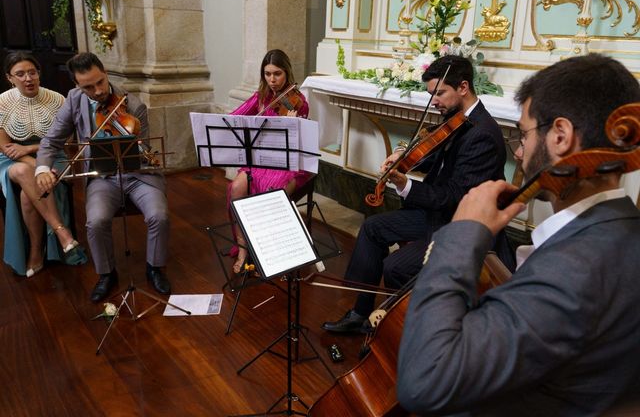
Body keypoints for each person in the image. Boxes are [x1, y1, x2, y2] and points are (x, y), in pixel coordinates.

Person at [397, 54, 640, 416]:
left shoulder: (573, 270)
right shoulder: (621, 223)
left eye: (524, 134)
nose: (521, 153)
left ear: (560, 136)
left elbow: (424, 380)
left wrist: (463, 232)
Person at [322, 55, 511, 333]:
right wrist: (403, 155)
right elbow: (437, 158)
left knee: (396, 266)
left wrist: (405, 184)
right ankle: (360, 314)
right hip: (437, 213)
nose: (434, 101)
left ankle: (405, 332)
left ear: (463, 87)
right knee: (373, 227)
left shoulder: (482, 132)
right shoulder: (457, 119)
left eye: (439, 93)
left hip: (459, 223)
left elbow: (455, 197)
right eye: (431, 94)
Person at [35, 52, 171, 303]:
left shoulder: (134, 104)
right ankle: (107, 273)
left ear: (105, 73)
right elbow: (51, 140)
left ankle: (155, 267)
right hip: (101, 177)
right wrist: (43, 168)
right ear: (77, 85)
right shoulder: (74, 101)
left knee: (159, 216)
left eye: (99, 82)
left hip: (138, 174)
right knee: (95, 222)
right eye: (88, 86)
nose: (97, 91)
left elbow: (146, 151)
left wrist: (138, 146)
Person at [0, 52, 86, 277]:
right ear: (10, 78)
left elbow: (66, 140)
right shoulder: (2, 102)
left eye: (32, 72)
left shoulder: (57, 99)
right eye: (20, 74)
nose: (28, 78)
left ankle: (36, 252)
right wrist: (37, 166)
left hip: (51, 155)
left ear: (39, 73)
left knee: (28, 194)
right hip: (11, 158)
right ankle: (62, 233)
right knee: (21, 169)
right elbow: (5, 147)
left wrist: (33, 153)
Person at [227, 49, 311, 273]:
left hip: (286, 161)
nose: (272, 80)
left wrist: (291, 125)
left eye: (277, 74)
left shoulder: (297, 102)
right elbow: (234, 117)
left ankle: (270, 251)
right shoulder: (261, 96)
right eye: (267, 74)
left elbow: (297, 144)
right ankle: (243, 248)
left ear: (287, 73)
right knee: (237, 187)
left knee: (273, 190)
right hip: (260, 158)